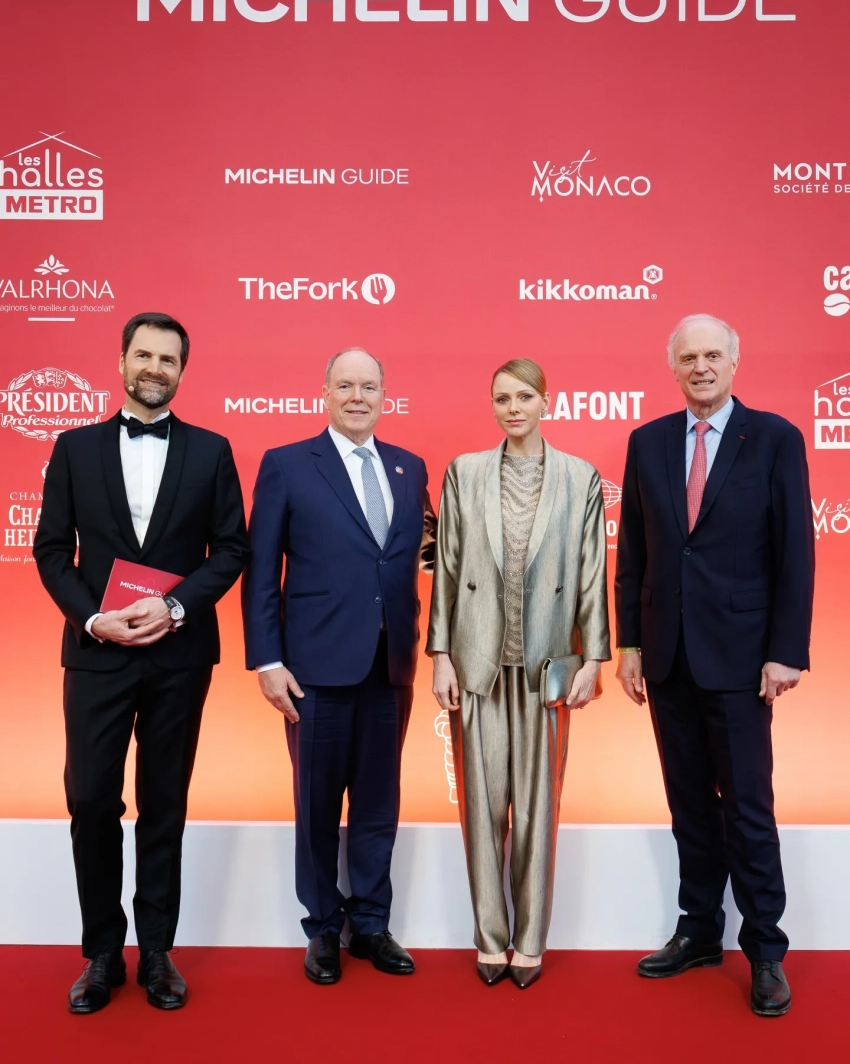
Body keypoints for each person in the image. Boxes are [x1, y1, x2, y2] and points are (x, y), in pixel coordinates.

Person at [33, 313, 249, 1014]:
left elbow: (232, 549)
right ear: (122, 361)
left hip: (179, 655)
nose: (156, 368)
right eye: (145, 355)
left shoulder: (212, 450)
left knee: (164, 802)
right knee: (90, 799)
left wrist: (176, 606)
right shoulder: (74, 447)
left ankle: (157, 950)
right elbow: (50, 549)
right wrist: (93, 618)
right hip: (97, 653)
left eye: (169, 358)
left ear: (183, 370)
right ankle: (102, 952)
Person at [615, 314, 814, 1018]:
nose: (700, 367)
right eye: (688, 357)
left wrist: (786, 650)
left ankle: (765, 950)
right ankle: (700, 930)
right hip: (667, 656)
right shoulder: (647, 441)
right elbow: (633, 550)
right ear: (672, 366)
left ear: (734, 362)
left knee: (748, 809)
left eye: (711, 355)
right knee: (690, 807)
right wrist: (629, 645)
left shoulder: (776, 437)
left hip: (741, 659)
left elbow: (795, 551)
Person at [242, 348, 436, 985]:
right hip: (313, 671)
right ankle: (324, 928)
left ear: (385, 394)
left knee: (379, 804)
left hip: (390, 667)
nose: (358, 397)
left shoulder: (409, 467)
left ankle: (372, 925)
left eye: (369, 387)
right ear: (324, 391)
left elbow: (417, 557)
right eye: (346, 385)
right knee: (317, 806)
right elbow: (261, 572)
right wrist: (267, 659)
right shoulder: (287, 464)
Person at [427, 359, 610, 989]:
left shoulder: (580, 477)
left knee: (538, 809)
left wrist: (594, 659)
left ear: (545, 402)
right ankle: (489, 937)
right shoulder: (465, 472)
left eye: (524, 397)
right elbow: (447, 568)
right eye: (502, 398)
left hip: (547, 664)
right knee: (481, 810)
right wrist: (441, 655)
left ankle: (530, 940)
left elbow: (592, 574)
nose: (512, 408)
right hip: (476, 661)